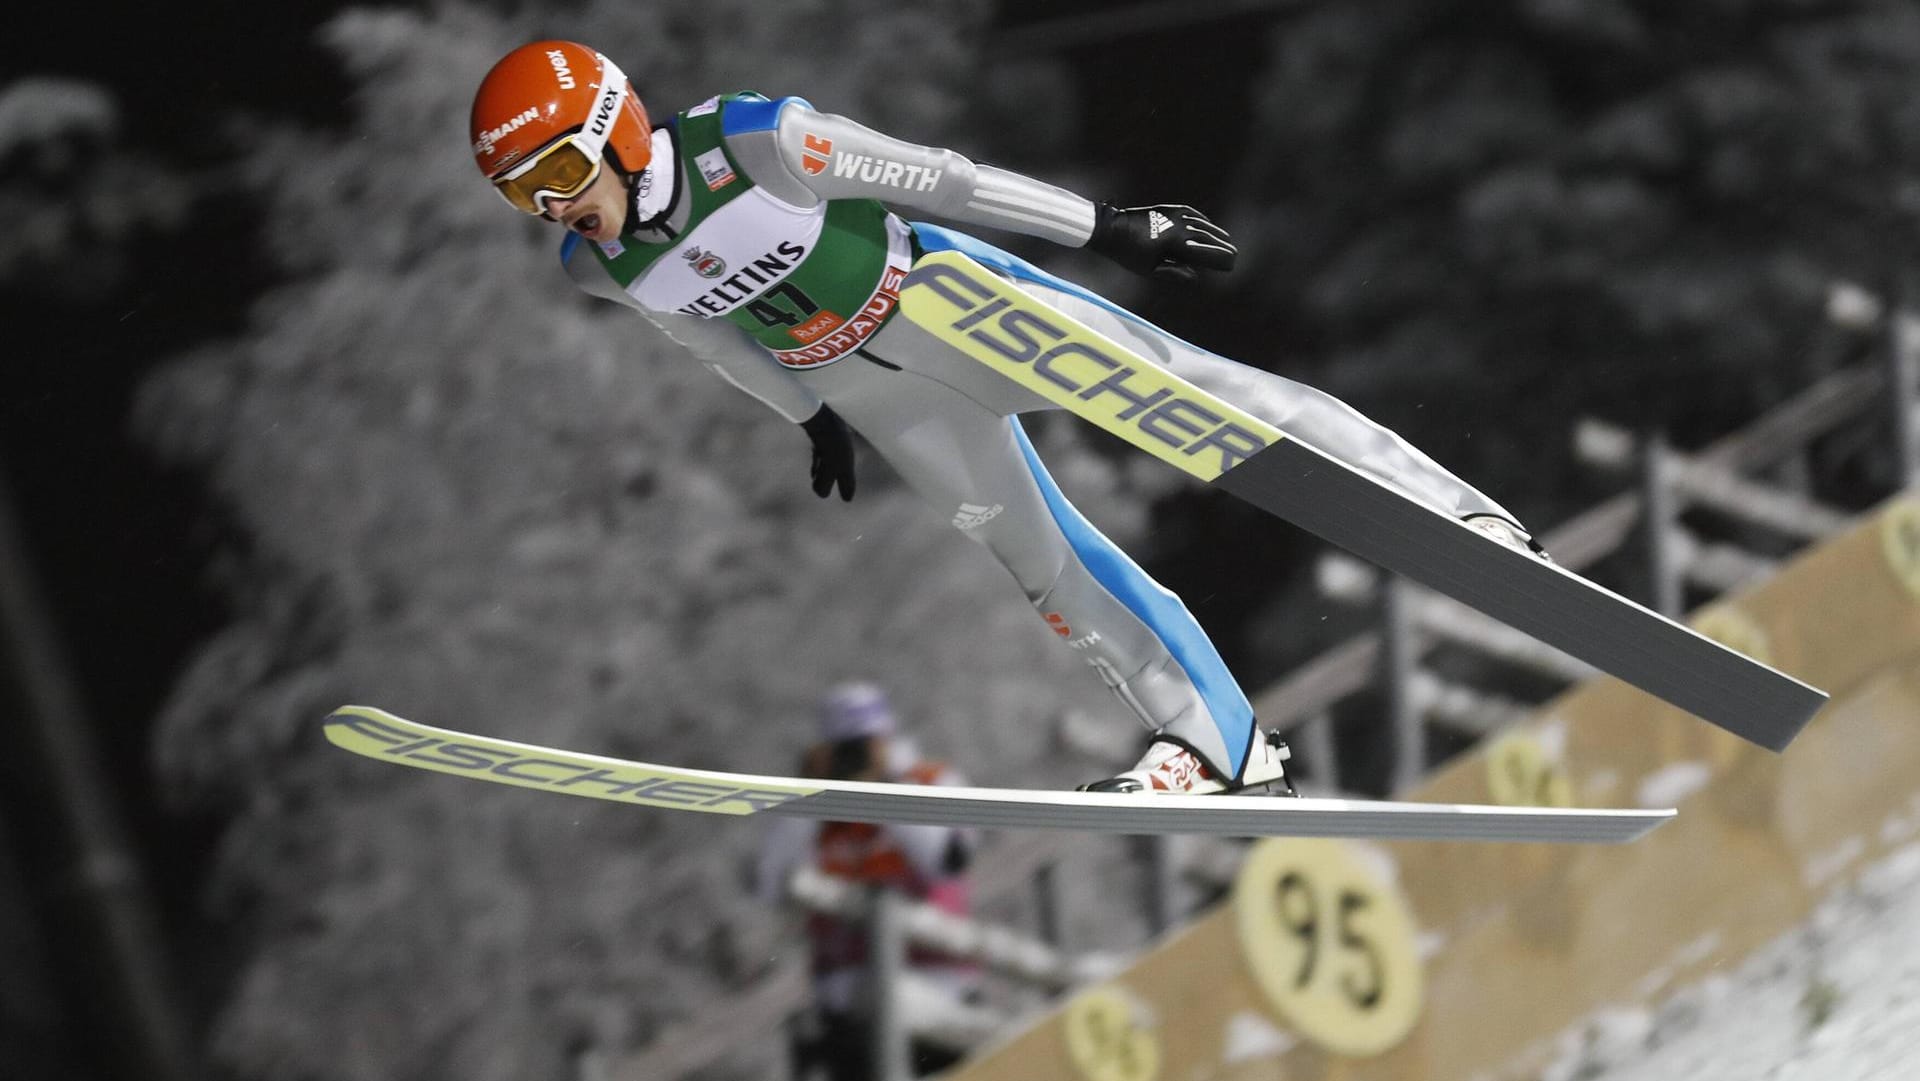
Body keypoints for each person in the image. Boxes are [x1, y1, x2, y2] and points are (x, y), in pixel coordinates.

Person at [468, 41, 1544, 794]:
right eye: (526, 195)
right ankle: (1216, 747)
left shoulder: (756, 140)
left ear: (617, 129)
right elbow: (711, 340)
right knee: (1048, 569)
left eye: (560, 170)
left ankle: (1453, 515)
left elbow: (945, 179)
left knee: (1196, 396)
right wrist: (808, 418)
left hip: (949, 303)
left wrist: (1110, 226)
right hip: (870, 391)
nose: (558, 205)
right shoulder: (599, 269)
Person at [755, 683, 980, 1080]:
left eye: (864, 745)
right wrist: (809, 799)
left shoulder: (929, 779)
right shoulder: (817, 811)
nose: (856, 757)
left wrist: (889, 791)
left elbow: (947, 862)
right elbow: (770, 886)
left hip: (940, 987)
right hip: (848, 1006)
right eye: (846, 748)